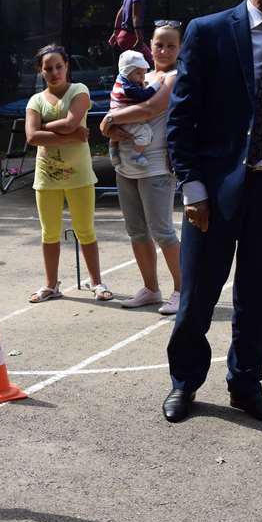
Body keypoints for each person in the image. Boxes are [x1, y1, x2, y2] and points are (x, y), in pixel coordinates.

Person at [161, 0, 262, 424]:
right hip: (213, 192)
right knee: (197, 298)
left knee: (259, 299)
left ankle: (246, 386)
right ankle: (184, 383)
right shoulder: (210, 31)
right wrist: (192, 188)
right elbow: (181, 117)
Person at [100, 22, 182, 315]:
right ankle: (151, 289)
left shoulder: (174, 77)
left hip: (157, 167)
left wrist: (111, 119)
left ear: (180, 49)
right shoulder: (139, 76)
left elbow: (150, 109)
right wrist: (109, 125)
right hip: (125, 165)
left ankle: (182, 291)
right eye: (159, 45)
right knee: (136, 231)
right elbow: (116, 105)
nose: (164, 50)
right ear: (150, 46)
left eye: (171, 46)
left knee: (163, 232)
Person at [25, 44, 114, 302]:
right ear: (40, 71)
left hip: (79, 176)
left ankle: (96, 282)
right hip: (46, 177)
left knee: (85, 230)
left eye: (58, 67)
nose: (54, 72)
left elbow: (71, 122)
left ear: (67, 66)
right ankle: (51, 285)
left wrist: (44, 127)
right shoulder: (35, 100)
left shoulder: (79, 90)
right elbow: (32, 137)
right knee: (49, 233)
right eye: (48, 68)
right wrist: (72, 137)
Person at [108, 50, 163, 169]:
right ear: (127, 72)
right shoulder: (128, 87)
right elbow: (143, 96)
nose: (142, 77)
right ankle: (135, 156)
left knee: (117, 133)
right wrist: (157, 84)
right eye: (138, 73)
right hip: (125, 118)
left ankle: (113, 149)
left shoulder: (123, 79)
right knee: (145, 133)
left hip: (117, 116)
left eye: (144, 73)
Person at [109, 0, 153, 66]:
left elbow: (120, 14)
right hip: (131, 37)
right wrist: (139, 38)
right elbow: (135, 17)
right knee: (151, 61)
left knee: (133, 66)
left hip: (122, 36)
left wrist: (115, 33)